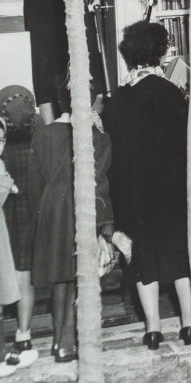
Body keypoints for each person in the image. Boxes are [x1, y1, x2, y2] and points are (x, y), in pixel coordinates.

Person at [104, 21, 191, 349]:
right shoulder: (169, 91)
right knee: (179, 255)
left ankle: (153, 330)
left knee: (142, 259)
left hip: (133, 193)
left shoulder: (119, 96)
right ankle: (188, 325)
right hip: (170, 190)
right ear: (159, 53)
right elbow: (189, 138)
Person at [27, 75, 112, 361]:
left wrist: (41, 213)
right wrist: (105, 225)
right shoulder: (98, 138)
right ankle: (71, 341)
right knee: (79, 277)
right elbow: (100, 181)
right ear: (88, 102)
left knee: (59, 279)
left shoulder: (43, 134)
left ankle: (58, 340)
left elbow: (34, 181)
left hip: (50, 208)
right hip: (81, 208)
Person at [0, 86, 43, 356]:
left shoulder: (2, 146)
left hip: (5, 217)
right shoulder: (36, 142)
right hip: (29, 213)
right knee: (25, 277)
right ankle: (24, 334)